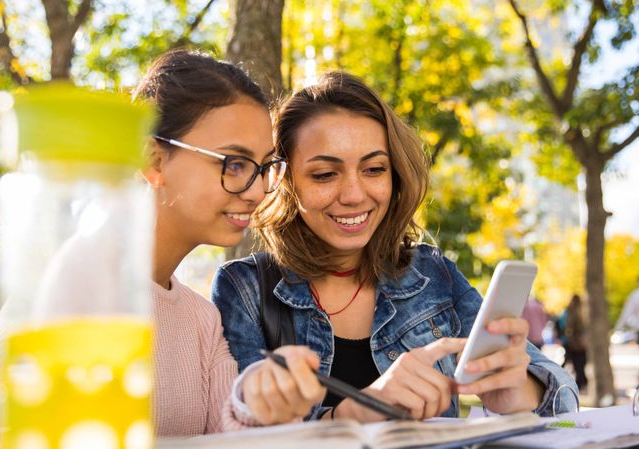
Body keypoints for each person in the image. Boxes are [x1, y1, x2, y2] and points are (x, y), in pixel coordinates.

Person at [0, 50, 323, 448]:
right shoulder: (59, 296)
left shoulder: (201, 318)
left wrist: (259, 401)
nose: (257, 191)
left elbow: (231, 432)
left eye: (262, 167)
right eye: (234, 164)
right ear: (154, 160)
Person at [212, 71, 577, 423]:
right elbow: (234, 427)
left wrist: (519, 394)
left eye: (374, 169)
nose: (355, 196)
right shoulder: (243, 288)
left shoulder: (433, 274)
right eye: (325, 174)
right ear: (285, 180)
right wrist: (352, 414)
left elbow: (560, 392)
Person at [563, 295, 587, 391]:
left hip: (575, 343)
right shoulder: (584, 311)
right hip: (582, 343)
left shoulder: (573, 312)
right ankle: (582, 381)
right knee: (580, 364)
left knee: (576, 363)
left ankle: (580, 382)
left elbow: (569, 327)